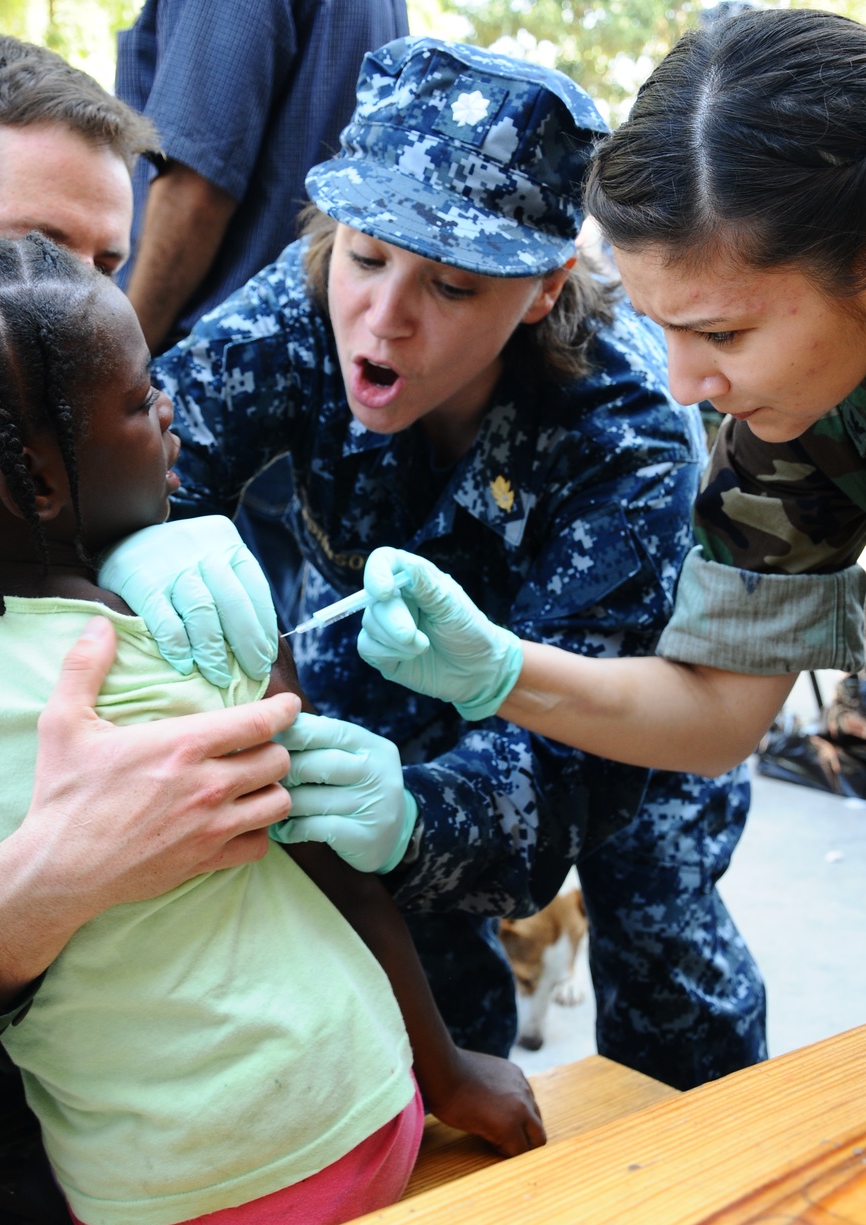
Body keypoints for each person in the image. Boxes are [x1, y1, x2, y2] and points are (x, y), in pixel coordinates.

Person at [0, 230, 540, 1225]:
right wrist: (449, 1071)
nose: (171, 403)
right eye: (141, 399)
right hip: (334, 1141)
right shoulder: (180, 650)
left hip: (132, 1207)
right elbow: (334, 858)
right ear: (37, 483)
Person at [103, 37, 765, 1092]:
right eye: (367, 256)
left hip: (619, 701)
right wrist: (149, 521)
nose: (385, 314)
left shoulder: (630, 427)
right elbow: (151, 448)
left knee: (664, 949)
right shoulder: (306, 296)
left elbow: (570, 770)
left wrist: (424, 814)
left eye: (453, 286)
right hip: (378, 655)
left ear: (543, 291)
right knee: (399, 953)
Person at [0, 31, 381, 1225]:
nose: (73, 293)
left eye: (105, 261)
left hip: (202, 1166)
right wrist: (13, 904)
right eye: (34, 245)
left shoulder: (55, 414)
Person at [353, 8, 866, 781]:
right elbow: (720, 714)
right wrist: (499, 670)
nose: (685, 386)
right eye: (666, 330)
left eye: (722, 334)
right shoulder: (795, 420)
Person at [114, 0, 409, 628]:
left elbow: (197, 185)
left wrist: (120, 363)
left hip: (223, 364)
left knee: (200, 632)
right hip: (323, 366)